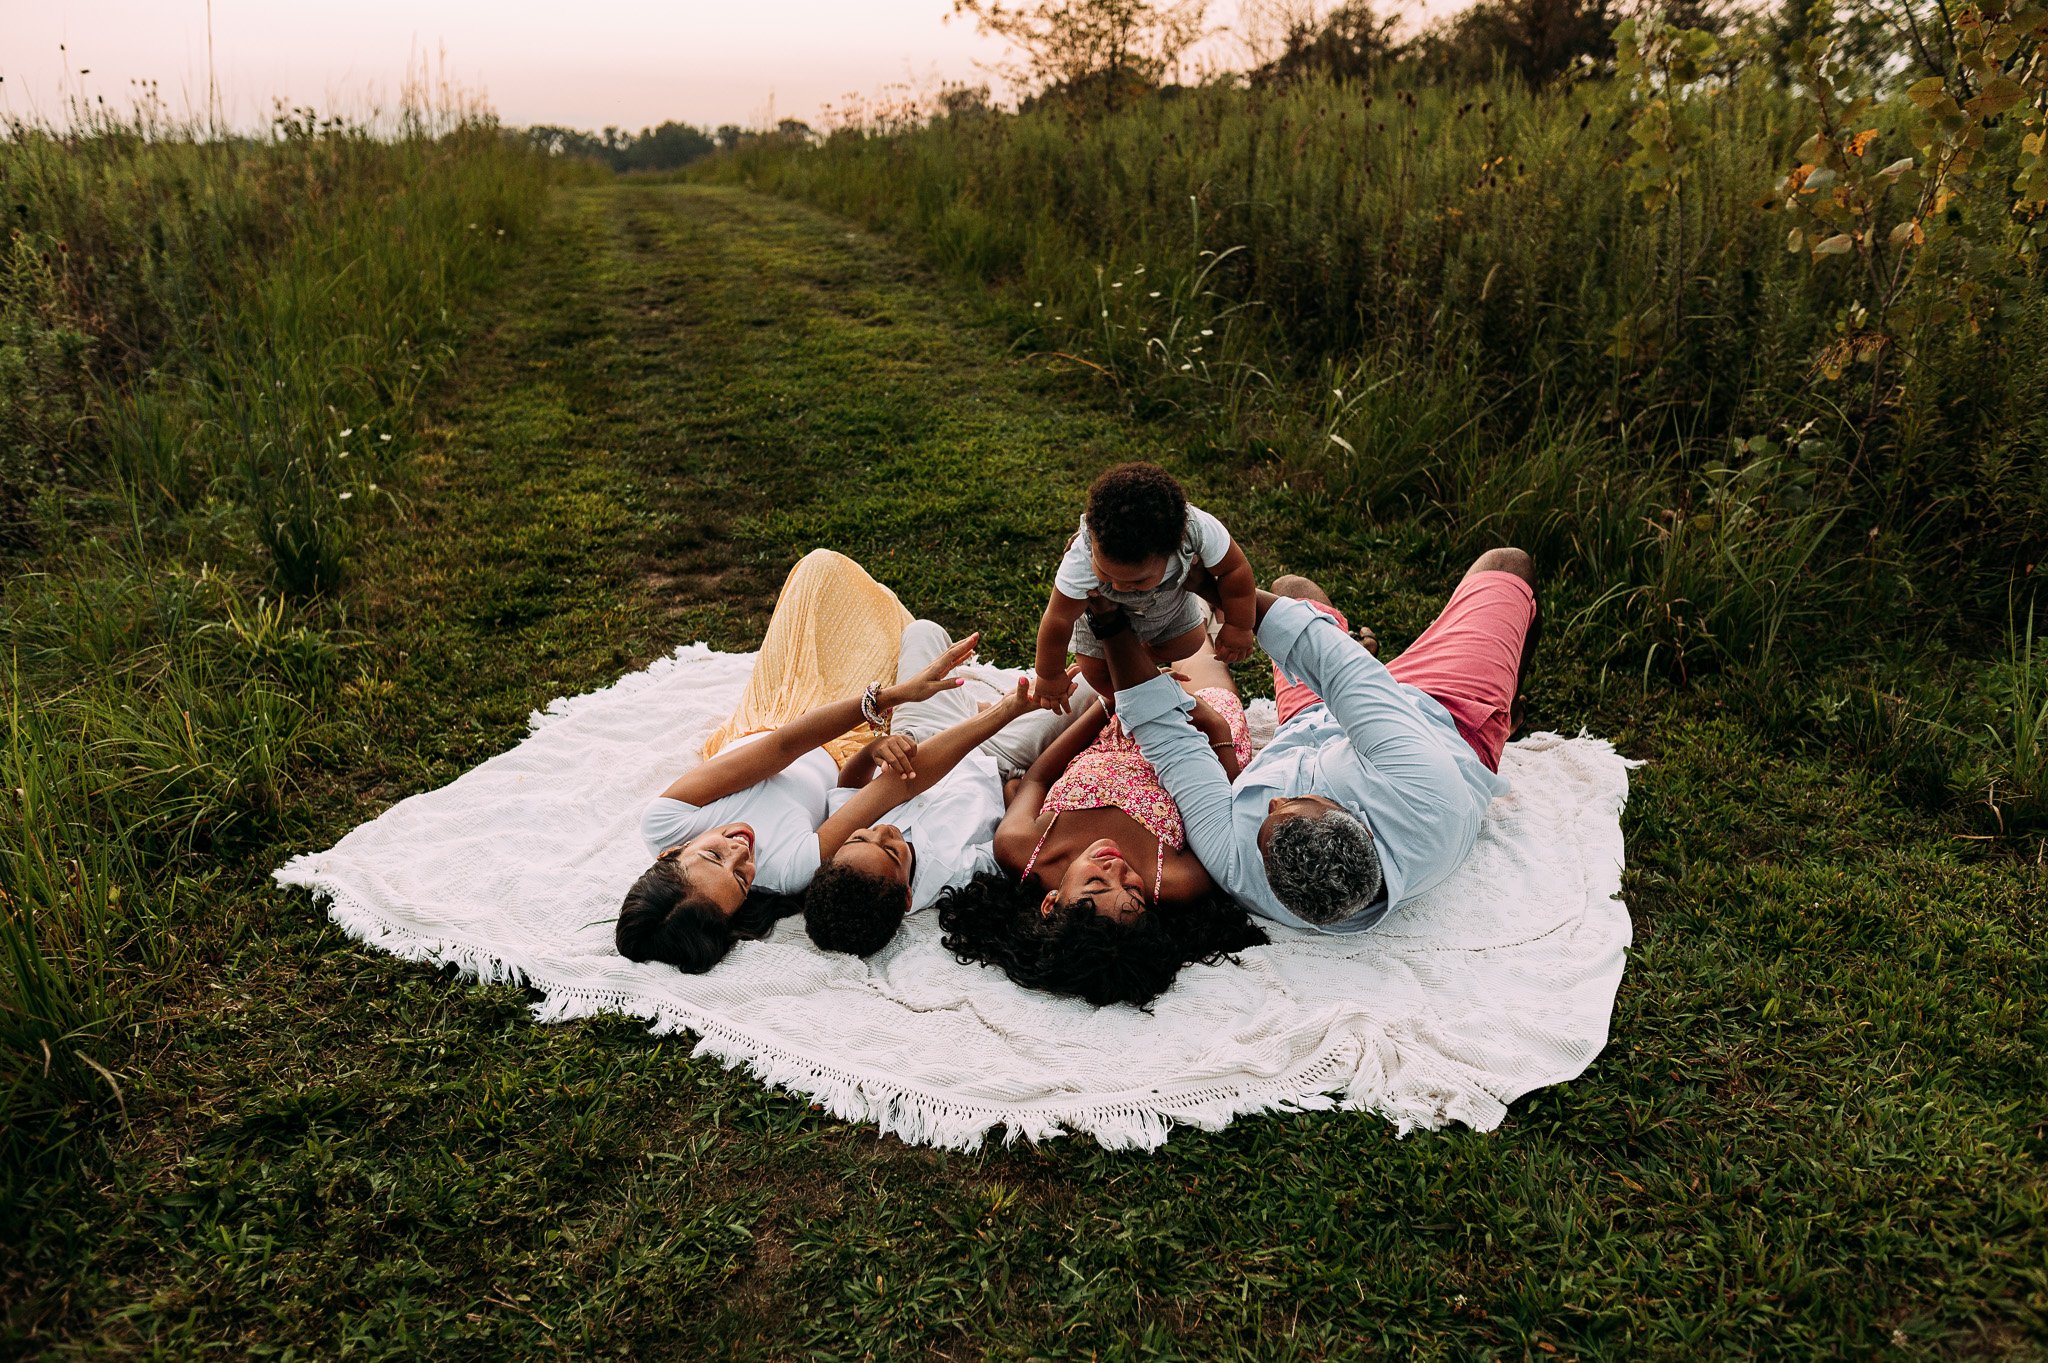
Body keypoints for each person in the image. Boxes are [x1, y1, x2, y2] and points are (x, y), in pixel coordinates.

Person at [1100, 550, 1542, 933]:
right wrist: (1215, 592)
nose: (1271, 804)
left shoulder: (1241, 870)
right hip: (1444, 714)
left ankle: (1363, 685)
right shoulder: (1426, 797)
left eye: (1265, 825)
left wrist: (1105, 619)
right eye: (1293, 801)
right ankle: (1503, 710)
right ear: (1359, 819)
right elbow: (1343, 669)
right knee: (1507, 565)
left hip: (1308, 722)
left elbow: (1172, 746)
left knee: (1292, 589)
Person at [934, 632, 1268, 1009]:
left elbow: (1037, 777)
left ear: (1051, 903)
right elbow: (1228, 817)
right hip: (1197, 736)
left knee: (1133, 630)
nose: (1115, 868)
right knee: (1200, 646)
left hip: (1114, 728)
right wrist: (1216, 728)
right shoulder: (1172, 881)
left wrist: (1110, 704)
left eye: (1095, 882)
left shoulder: (1022, 847)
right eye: (1132, 888)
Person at [1029, 462, 1258, 713]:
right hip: (1098, 623)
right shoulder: (1082, 557)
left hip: (1168, 612)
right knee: (1096, 672)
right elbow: (1058, 618)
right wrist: (1049, 675)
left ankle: (1141, 667)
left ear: (1172, 550)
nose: (1118, 585)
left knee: (1189, 644)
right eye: (1104, 572)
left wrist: (1239, 625)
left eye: (1137, 580)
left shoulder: (1196, 530)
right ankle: (1124, 700)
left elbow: (1234, 570)